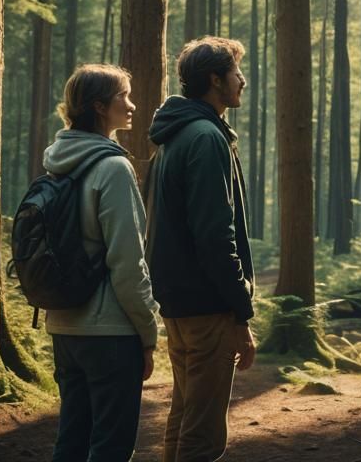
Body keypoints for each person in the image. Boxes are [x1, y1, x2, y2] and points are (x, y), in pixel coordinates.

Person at [146, 37, 255, 462]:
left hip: (177, 303)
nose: (242, 80)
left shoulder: (174, 137)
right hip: (207, 305)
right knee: (204, 433)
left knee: (184, 414)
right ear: (214, 80)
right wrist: (241, 309)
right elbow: (215, 236)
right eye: (235, 73)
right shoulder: (206, 137)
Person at [43, 64, 159, 462]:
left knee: (71, 440)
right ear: (99, 106)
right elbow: (129, 263)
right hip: (110, 331)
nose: (132, 105)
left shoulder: (58, 163)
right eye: (123, 97)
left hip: (64, 325)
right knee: (111, 445)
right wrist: (148, 331)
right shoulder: (112, 167)